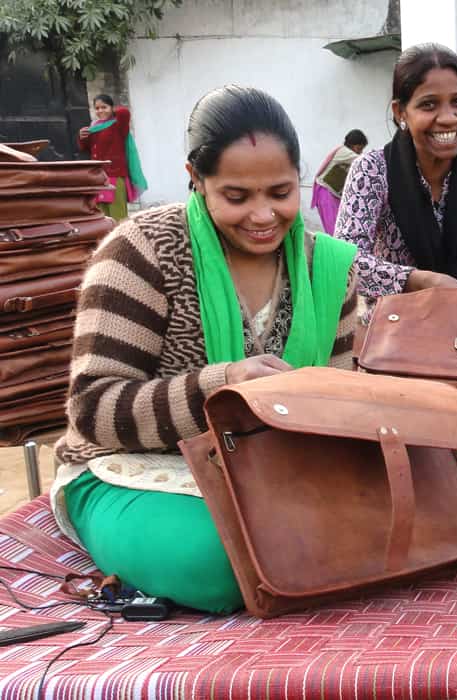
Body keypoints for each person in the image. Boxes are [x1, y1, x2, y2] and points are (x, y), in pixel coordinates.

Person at [52, 86, 358, 614]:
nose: (263, 215)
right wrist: (220, 388)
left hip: (278, 475)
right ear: (196, 179)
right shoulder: (141, 253)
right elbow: (93, 411)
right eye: (236, 197)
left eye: (281, 192)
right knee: (221, 562)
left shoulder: (327, 269)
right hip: (133, 470)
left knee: (376, 520)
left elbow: (339, 406)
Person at [335, 43, 457, 320]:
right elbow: (345, 263)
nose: (447, 118)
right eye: (428, 104)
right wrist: (422, 282)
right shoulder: (372, 172)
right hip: (391, 334)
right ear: (400, 112)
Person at [78, 94, 148, 221]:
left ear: (112, 108)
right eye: (97, 108)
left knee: (118, 216)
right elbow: (86, 148)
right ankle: (106, 240)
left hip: (115, 176)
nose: (100, 111)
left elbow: (124, 112)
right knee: (102, 216)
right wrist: (82, 137)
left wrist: (112, 111)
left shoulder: (118, 125)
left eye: (104, 107)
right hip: (98, 177)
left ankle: (121, 239)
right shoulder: (94, 127)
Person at [311, 129, 368, 234]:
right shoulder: (344, 152)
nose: (360, 151)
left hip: (333, 195)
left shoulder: (347, 155)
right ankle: (334, 249)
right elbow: (363, 161)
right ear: (351, 144)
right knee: (334, 229)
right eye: (359, 148)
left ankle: (335, 248)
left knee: (338, 226)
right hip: (326, 192)